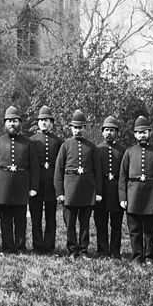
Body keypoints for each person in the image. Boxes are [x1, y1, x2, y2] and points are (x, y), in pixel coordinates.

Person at [0, 106, 39, 253]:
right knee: (5, 219)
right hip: (2, 184)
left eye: (15, 121)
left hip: (21, 185)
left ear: (20, 123)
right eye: (9, 121)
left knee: (20, 218)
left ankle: (21, 246)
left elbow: (34, 167)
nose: (12, 124)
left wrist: (33, 187)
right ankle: (7, 246)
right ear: (5, 123)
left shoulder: (28, 143)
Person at [118, 115, 153, 263]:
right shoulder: (129, 152)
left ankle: (149, 257)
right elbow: (122, 176)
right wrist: (123, 198)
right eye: (139, 132)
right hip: (133, 195)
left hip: (151, 196)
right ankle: (137, 256)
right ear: (135, 135)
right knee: (134, 230)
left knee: (150, 230)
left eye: (145, 132)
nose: (142, 135)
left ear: (150, 133)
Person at [54, 109, 102, 258]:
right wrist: (60, 193)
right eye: (75, 127)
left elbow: (97, 171)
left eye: (80, 127)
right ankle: (72, 250)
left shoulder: (91, 146)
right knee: (70, 224)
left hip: (87, 192)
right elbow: (58, 171)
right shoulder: (65, 145)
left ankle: (83, 250)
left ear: (84, 128)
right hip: (70, 192)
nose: (78, 130)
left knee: (85, 224)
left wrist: (98, 193)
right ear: (71, 128)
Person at [29, 105, 62, 254]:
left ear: (52, 123)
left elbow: (61, 166)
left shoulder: (59, 141)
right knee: (36, 217)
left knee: (51, 217)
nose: (43, 123)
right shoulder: (32, 141)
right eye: (41, 120)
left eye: (46, 120)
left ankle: (49, 246)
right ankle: (37, 245)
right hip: (36, 183)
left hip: (51, 184)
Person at [94, 115, 126, 258]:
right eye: (106, 130)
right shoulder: (97, 149)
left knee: (116, 224)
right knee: (101, 223)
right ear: (102, 132)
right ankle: (102, 250)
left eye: (112, 130)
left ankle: (115, 251)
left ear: (117, 133)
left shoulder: (123, 150)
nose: (109, 133)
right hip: (102, 190)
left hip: (116, 191)